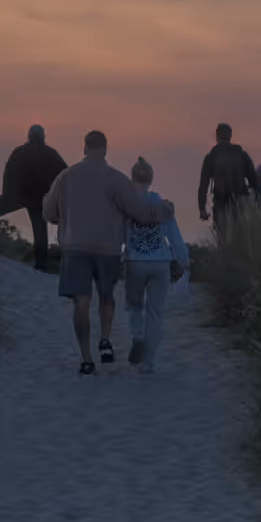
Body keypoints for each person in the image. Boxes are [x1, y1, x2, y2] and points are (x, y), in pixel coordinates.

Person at [43, 130, 171, 376]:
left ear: (84, 148)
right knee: (106, 296)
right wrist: (165, 210)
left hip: (75, 247)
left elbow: (49, 213)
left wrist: (65, 215)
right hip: (107, 249)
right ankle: (105, 338)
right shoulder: (117, 179)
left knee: (81, 303)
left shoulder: (65, 177)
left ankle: (86, 359)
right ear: (105, 149)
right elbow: (140, 213)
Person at [122, 157, 188, 374]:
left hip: (135, 262)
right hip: (160, 263)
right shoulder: (163, 206)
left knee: (134, 306)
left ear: (132, 178)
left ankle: (137, 336)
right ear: (150, 179)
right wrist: (183, 260)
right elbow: (175, 237)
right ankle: (148, 363)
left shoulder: (127, 205)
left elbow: (119, 235)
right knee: (155, 313)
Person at [0, 124, 68, 271]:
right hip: (34, 198)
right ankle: (41, 264)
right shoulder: (50, 153)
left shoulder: (23, 151)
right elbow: (64, 175)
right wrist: (54, 197)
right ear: (43, 136)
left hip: (21, 196)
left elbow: (8, 172)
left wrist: (7, 194)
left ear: (29, 136)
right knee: (40, 231)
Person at [196, 122, 258, 234]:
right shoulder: (241, 154)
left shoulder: (212, 156)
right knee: (241, 235)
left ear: (217, 136)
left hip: (221, 204)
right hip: (240, 202)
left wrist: (202, 208)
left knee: (222, 236)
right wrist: (256, 198)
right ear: (230, 136)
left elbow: (204, 184)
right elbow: (253, 179)